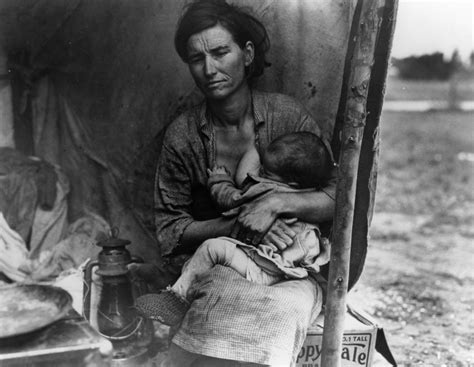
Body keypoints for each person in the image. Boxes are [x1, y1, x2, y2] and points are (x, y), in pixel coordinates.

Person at [143, 0, 337, 365]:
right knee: (214, 315)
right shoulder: (184, 135)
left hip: (290, 272)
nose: (209, 69)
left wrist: (275, 205)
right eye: (196, 59)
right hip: (224, 265)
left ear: (246, 54)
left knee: (279, 317)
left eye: (220, 52)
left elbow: (338, 196)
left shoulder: (288, 116)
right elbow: (171, 230)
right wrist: (238, 224)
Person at [136, 131, 332, 326]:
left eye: (265, 172)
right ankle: (176, 285)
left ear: (291, 183)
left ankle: (176, 302)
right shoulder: (310, 197)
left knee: (211, 248)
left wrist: (219, 179)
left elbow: (230, 198)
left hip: (265, 271)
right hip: (286, 270)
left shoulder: (268, 190)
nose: (260, 173)